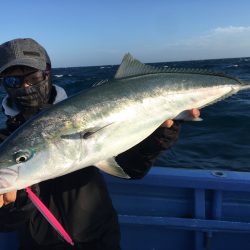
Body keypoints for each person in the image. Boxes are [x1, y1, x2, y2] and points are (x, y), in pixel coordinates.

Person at [0, 38, 200, 250]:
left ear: (47, 73)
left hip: (101, 239)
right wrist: (14, 203)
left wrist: (157, 138)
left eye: (33, 76)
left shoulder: (89, 111)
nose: (26, 86)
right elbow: (6, 224)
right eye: (13, 81)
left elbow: (131, 170)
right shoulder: (4, 143)